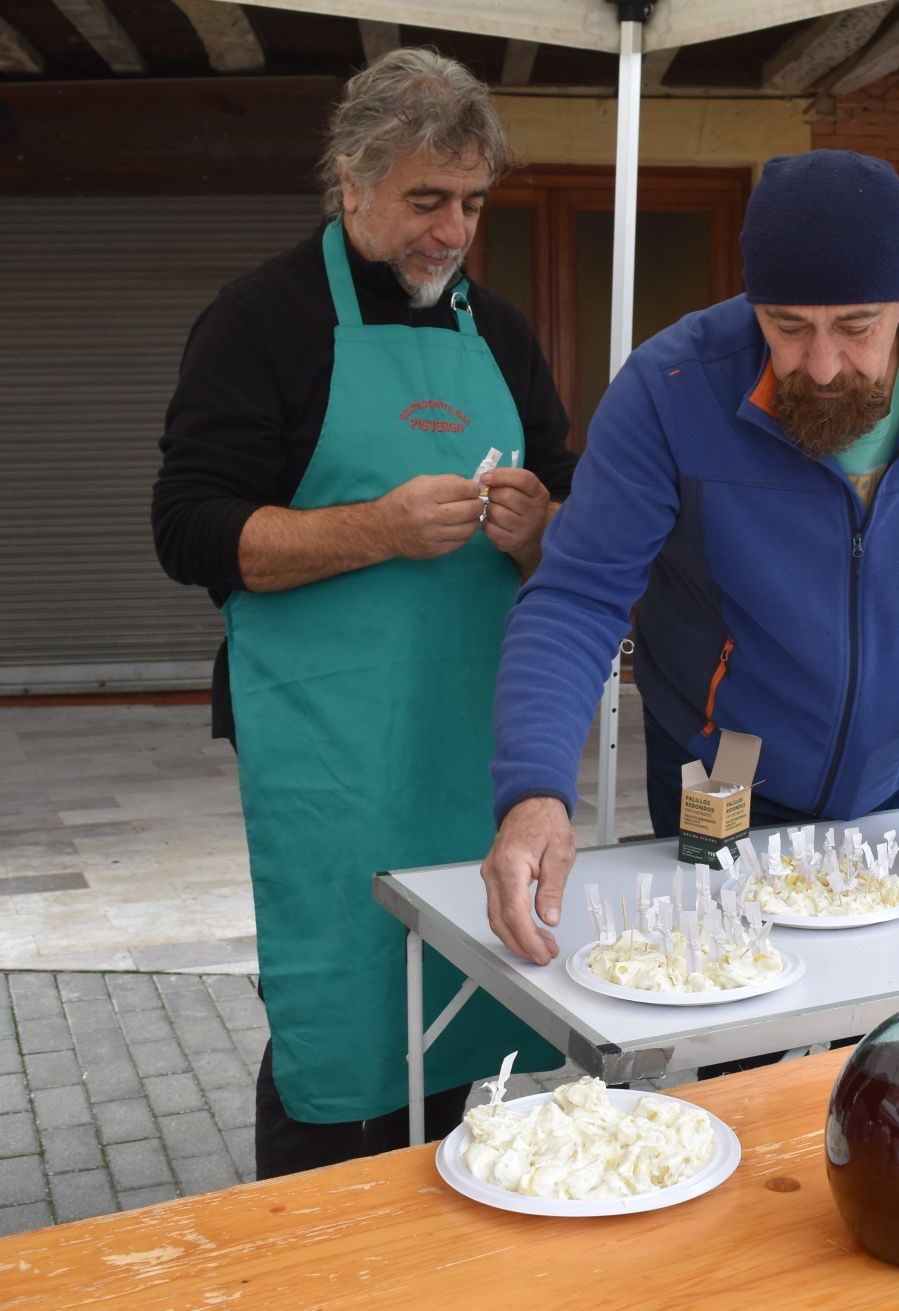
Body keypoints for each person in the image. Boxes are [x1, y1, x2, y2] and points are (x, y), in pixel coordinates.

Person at [480, 149, 899, 968]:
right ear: (752, 303)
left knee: (888, 999)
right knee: (727, 995)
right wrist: (535, 791)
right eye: (787, 327)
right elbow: (576, 596)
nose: (822, 366)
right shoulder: (671, 386)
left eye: (856, 328)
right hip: (718, 768)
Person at [151, 49, 571, 1177]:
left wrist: (537, 532)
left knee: (490, 1002)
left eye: (473, 204)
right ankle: (317, 1243)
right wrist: (374, 529)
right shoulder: (260, 321)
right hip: (327, 748)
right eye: (425, 200)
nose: (452, 232)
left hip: (478, 747)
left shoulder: (507, 335)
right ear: (351, 183)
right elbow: (187, 530)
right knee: (342, 1020)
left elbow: (571, 535)